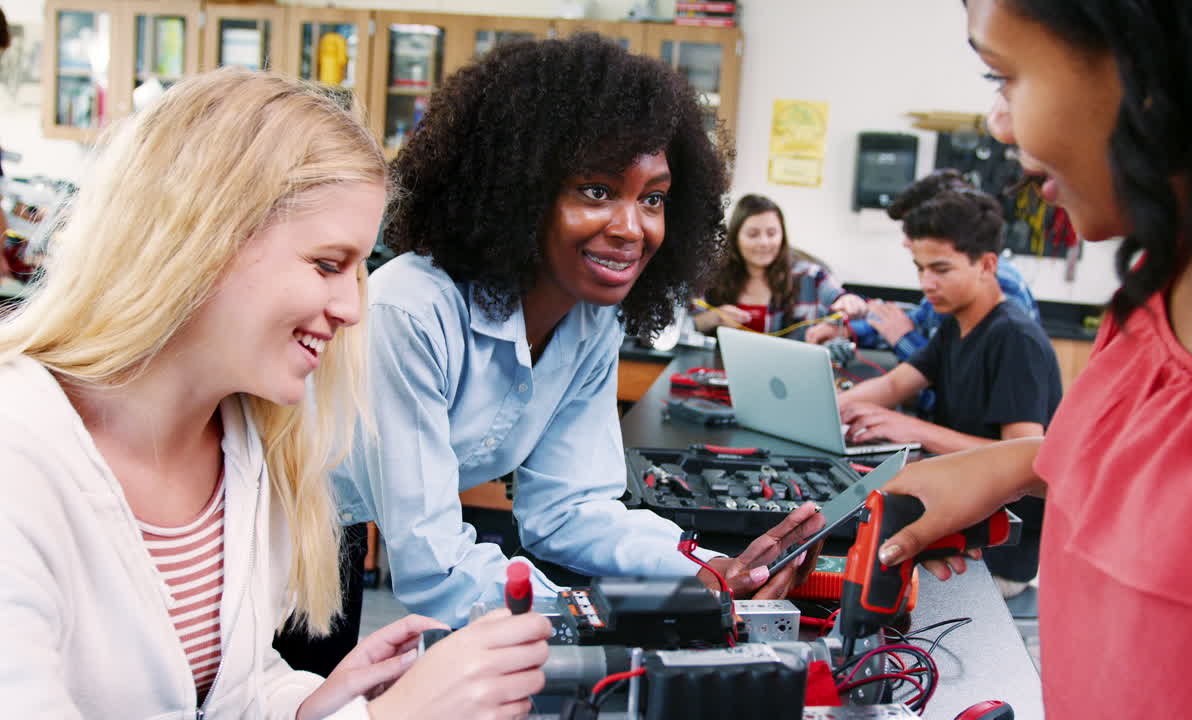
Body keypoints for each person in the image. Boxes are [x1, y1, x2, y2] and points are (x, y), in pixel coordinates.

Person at [0, 69, 550, 720]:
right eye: (327, 264)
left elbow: (230, 691)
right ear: (202, 238)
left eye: (358, 270)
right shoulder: (19, 455)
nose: (351, 308)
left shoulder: (246, 439)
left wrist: (315, 703)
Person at [330, 34, 823, 629]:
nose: (632, 227)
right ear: (521, 191)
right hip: (273, 524)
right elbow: (437, 567)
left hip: (348, 529)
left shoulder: (591, 321)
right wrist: (597, 616)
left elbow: (568, 508)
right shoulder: (411, 310)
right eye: (597, 191)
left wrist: (708, 569)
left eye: (654, 199)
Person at [876, 0, 1192, 715]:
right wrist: (1014, 467)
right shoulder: (1158, 286)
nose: (1000, 124)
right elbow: (1163, 469)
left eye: (1003, 76)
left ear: (1150, 65)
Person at [836, 172, 1060, 594]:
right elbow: (894, 385)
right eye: (920, 269)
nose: (926, 284)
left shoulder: (1015, 339)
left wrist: (914, 429)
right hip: (958, 521)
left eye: (940, 269)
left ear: (987, 265)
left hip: (998, 552)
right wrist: (832, 406)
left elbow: (1027, 459)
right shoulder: (955, 326)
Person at [848, 170, 1039, 363]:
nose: (906, 242)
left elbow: (956, 373)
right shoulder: (950, 288)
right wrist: (846, 330)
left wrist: (903, 338)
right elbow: (916, 323)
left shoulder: (1000, 286)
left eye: (915, 230)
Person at [692, 193, 867, 342]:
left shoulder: (811, 276)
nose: (764, 242)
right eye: (753, 234)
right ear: (736, 238)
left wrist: (850, 302)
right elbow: (682, 326)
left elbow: (849, 305)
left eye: (772, 233)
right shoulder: (710, 276)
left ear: (782, 236)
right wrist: (712, 318)